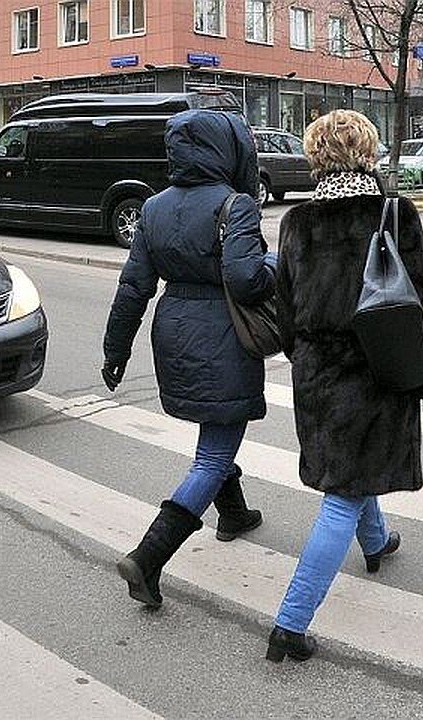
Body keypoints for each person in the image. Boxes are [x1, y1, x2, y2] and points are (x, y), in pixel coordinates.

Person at [267, 110, 423, 662]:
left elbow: (286, 309)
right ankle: (289, 625)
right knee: (343, 493)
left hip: (318, 373)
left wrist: (305, 357)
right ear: (367, 151)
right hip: (379, 369)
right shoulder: (393, 212)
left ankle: (377, 543)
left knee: (347, 467)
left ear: (316, 156)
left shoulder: (297, 223)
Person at [102, 109, 276, 608]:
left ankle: (234, 513)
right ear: (226, 149)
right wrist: (274, 263)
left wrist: (115, 350)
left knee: (213, 426)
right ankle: (148, 557)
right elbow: (246, 280)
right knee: (214, 452)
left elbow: (134, 287)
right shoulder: (234, 204)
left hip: (173, 329)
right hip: (221, 333)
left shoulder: (153, 207)